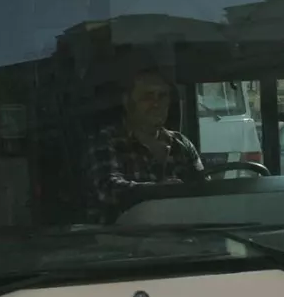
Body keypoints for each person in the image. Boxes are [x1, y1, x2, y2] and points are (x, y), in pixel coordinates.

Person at [85, 68, 204, 215]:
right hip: (124, 234)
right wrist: (158, 191)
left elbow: (204, 189)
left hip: (183, 232)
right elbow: (108, 190)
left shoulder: (182, 144)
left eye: (162, 96)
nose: (156, 104)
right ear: (127, 102)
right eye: (148, 97)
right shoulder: (107, 140)